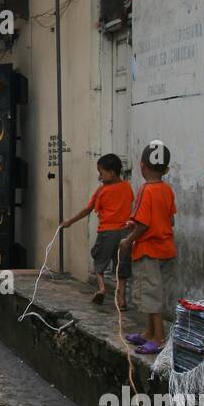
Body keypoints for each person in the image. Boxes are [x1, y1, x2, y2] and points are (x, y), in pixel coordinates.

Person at [119, 141, 176, 355]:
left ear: (142, 165)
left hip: (148, 250)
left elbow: (145, 224)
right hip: (166, 249)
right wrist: (138, 225)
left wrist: (129, 239)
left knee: (151, 297)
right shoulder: (167, 190)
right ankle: (148, 333)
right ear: (166, 169)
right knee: (158, 293)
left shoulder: (145, 190)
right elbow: (169, 220)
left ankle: (159, 338)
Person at [62, 153, 134, 309]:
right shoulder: (127, 187)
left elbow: (87, 210)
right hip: (125, 234)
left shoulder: (102, 191)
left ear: (112, 172)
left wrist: (69, 221)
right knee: (121, 267)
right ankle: (121, 299)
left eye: (101, 173)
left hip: (107, 232)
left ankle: (101, 288)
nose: (100, 176)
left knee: (99, 263)